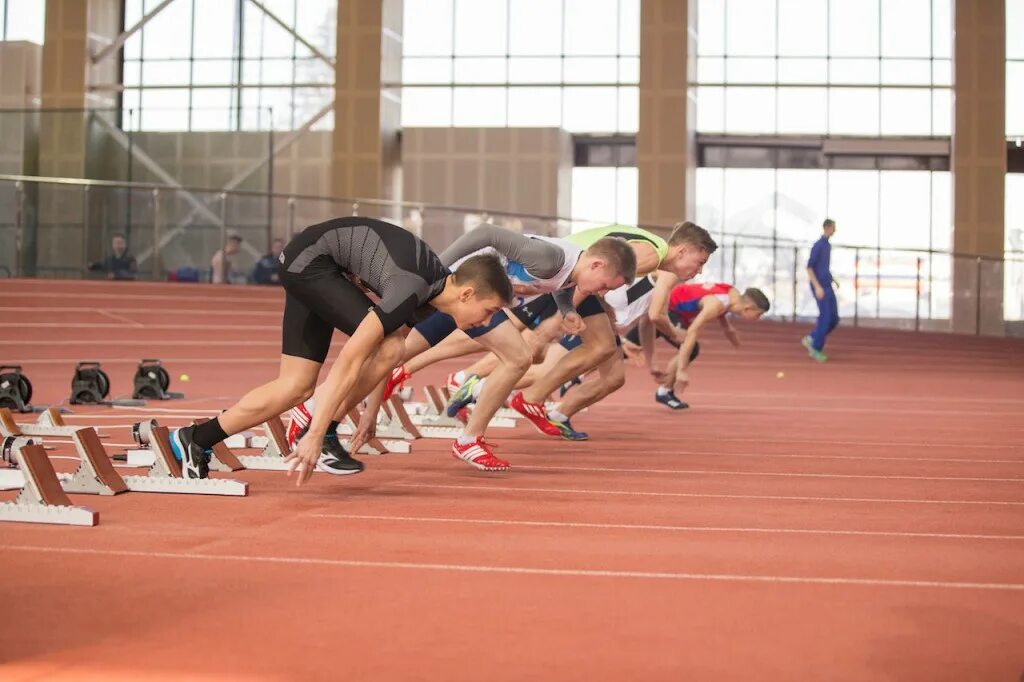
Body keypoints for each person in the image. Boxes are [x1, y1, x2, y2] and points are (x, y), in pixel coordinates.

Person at [168, 216, 512, 483]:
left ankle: (195, 439)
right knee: (389, 343)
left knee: (296, 386)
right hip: (312, 263)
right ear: (467, 294)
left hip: (318, 263)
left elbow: (385, 361)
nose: (485, 322)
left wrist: (369, 413)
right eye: (490, 311)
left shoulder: (430, 295)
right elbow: (354, 356)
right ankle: (320, 426)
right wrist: (317, 434)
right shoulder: (414, 286)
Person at [287, 223, 636, 471]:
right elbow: (485, 232)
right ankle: (315, 410)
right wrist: (434, 272)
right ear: (596, 264)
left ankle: (468, 439)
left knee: (513, 356)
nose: (603, 293)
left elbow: (560, 285)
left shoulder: (570, 271)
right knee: (391, 353)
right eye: (605, 285)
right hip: (452, 294)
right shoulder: (548, 257)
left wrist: (568, 309)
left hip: (476, 303)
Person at [501, 222, 718, 437]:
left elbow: (625, 302)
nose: (699, 271)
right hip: (564, 279)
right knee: (526, 354)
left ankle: (553, 413)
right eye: (700, 262)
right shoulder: (654, 256)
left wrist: (608, 317)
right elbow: (596, 277)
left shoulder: (655, 258)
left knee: (612, 375)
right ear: (682, 251)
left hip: (574, 284)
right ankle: (486, 391)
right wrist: (564, 313)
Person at [648, 282, 770, 410]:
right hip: (667, 308)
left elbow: (722, 306)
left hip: (675, 309)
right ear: (748, 308)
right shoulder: (715, 305)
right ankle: (664, 391)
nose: (758, 318)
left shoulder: (733, 295)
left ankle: (665, 390)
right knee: (690, 346)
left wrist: (728, 329)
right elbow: (692, 332)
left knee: (631, 345)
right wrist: (681, 371)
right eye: (758, 314)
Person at [802, 218, 838, 362]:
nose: (835, 230)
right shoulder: (818, 245)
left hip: (828, 285)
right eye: (833, 228)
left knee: (834, 318)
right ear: (827, 227)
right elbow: (810, 267)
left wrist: (833, 279)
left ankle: (812, 337)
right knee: (825, 317)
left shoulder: (827, 246)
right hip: (820, 286)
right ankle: (816, 348)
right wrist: (817, 287)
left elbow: (824, 268)